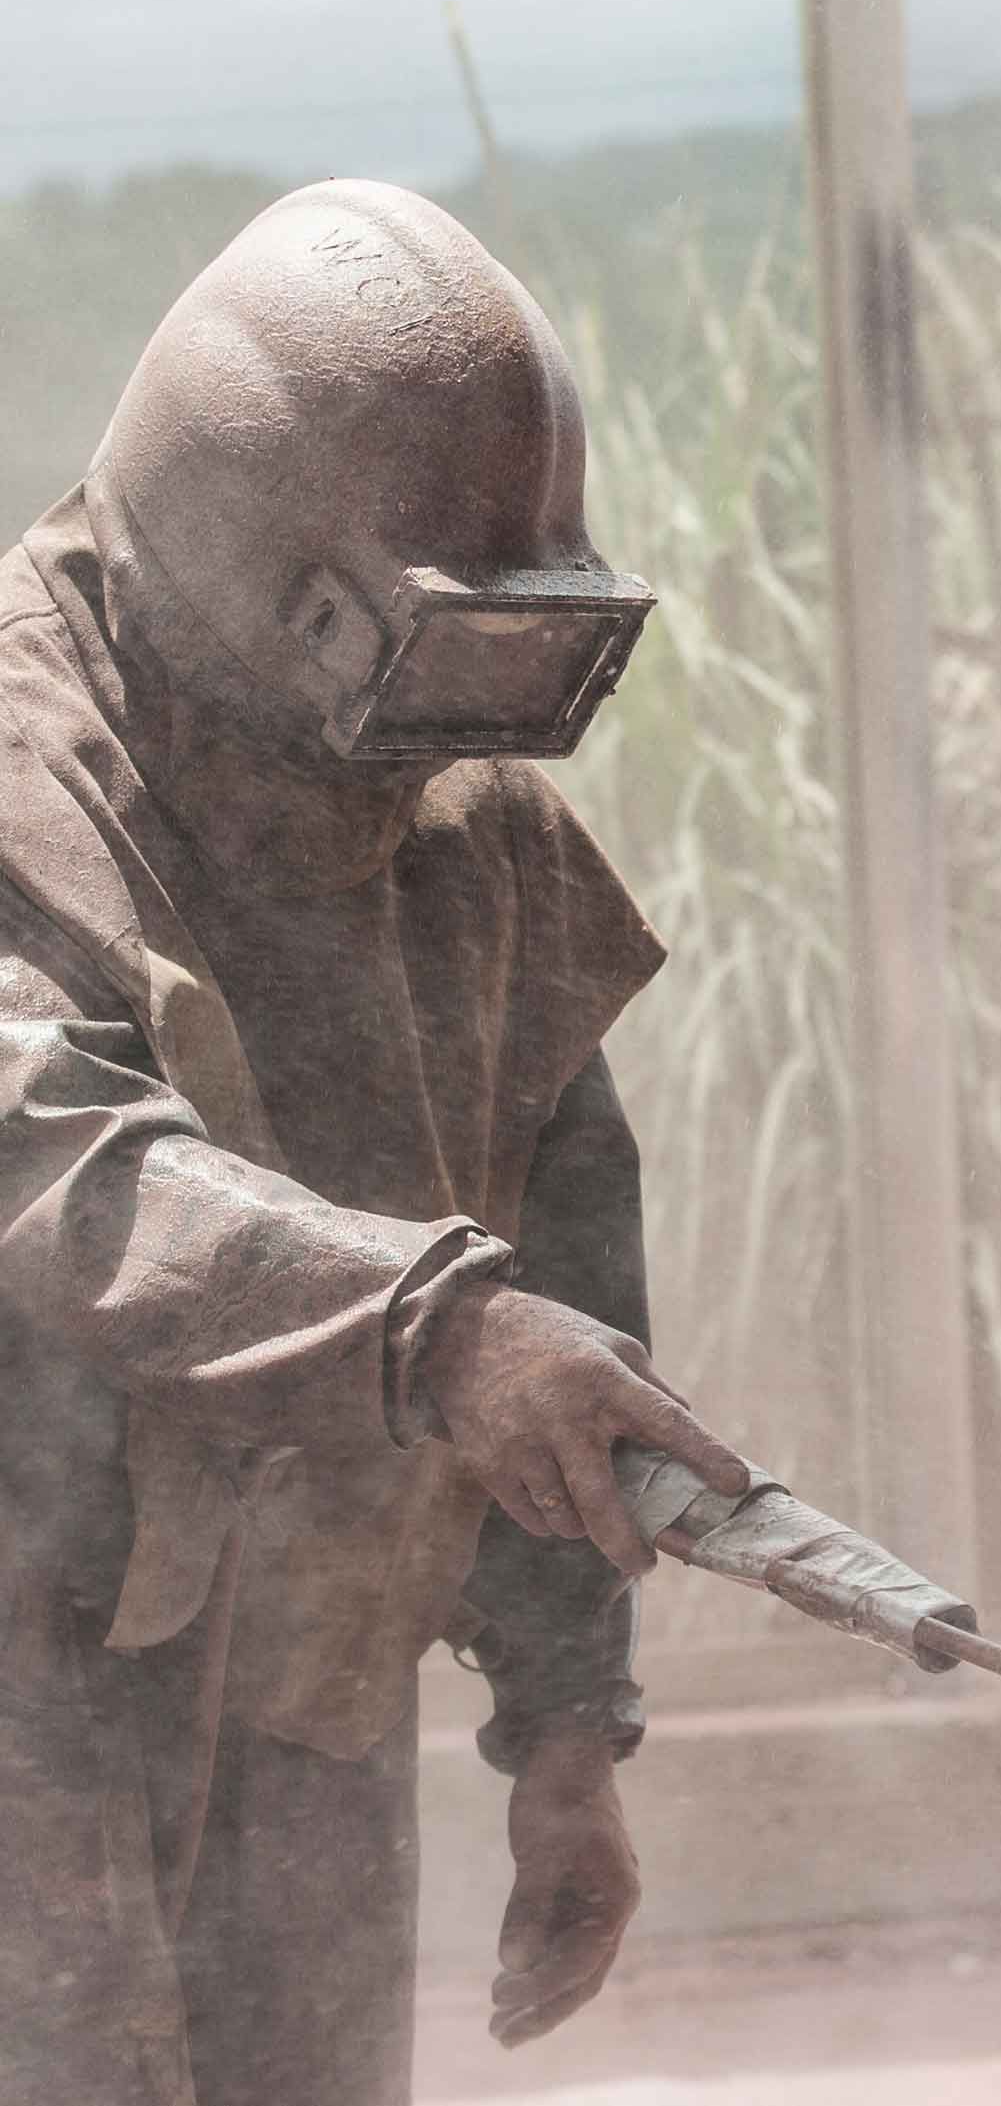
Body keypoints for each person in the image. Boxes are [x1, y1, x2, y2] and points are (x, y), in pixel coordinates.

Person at [0, 177, 749, 2106]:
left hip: (304, 1693)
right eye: (428, 661)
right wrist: (440, 1334)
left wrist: (566, 1729)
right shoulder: (20, 773)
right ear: (286, 591)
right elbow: (64, 1173)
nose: (454, 738)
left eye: (515, 662)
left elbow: (567, 1251)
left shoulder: (456, 820)